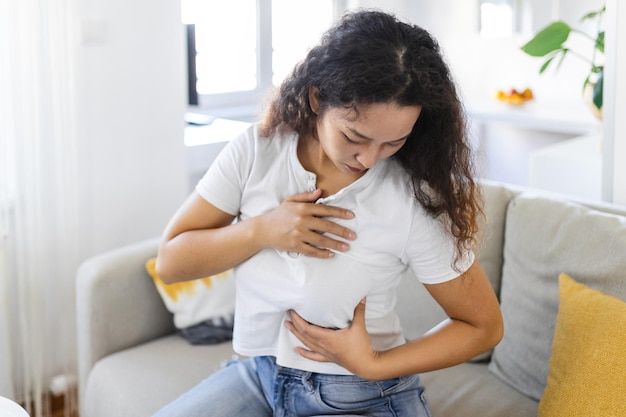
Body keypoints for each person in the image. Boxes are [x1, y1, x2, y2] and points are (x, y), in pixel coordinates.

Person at [153, 9, 503, 417]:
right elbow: (172, 262)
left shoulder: (411, 196)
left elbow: (484, 326)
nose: (370, 159)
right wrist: (262, 230)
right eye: (355, 136)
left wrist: (374, 364)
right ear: (317, 98)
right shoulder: (257, 151)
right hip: (262, 373)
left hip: (361, 395)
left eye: (394, 142)